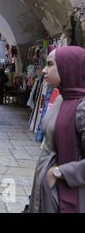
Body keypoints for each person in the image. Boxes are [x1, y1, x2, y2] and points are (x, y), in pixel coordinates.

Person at [29, 46, 85, 213]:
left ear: (69, 67)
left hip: (68, 194)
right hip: (48, 191)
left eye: (50, 64)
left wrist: (60, 172)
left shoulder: (81, 108)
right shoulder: (61, 99)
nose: (44, 70)